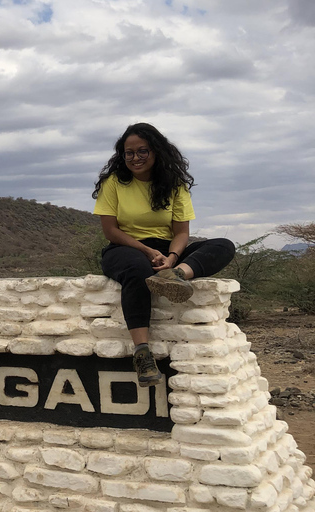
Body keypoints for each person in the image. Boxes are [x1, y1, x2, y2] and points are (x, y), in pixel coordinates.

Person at [92, 123, 235, 387]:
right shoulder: (113, 183)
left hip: (168, 252)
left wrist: (172, 258)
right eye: (129, 153)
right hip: (126, 248)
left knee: (224, 245)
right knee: (137, 270)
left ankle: (176, 275)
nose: (135, 158)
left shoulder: (174, 185)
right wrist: (146, 250)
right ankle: (142, 354)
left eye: (142, 151)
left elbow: (182, 232)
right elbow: (111, 231)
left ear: (156, 152)